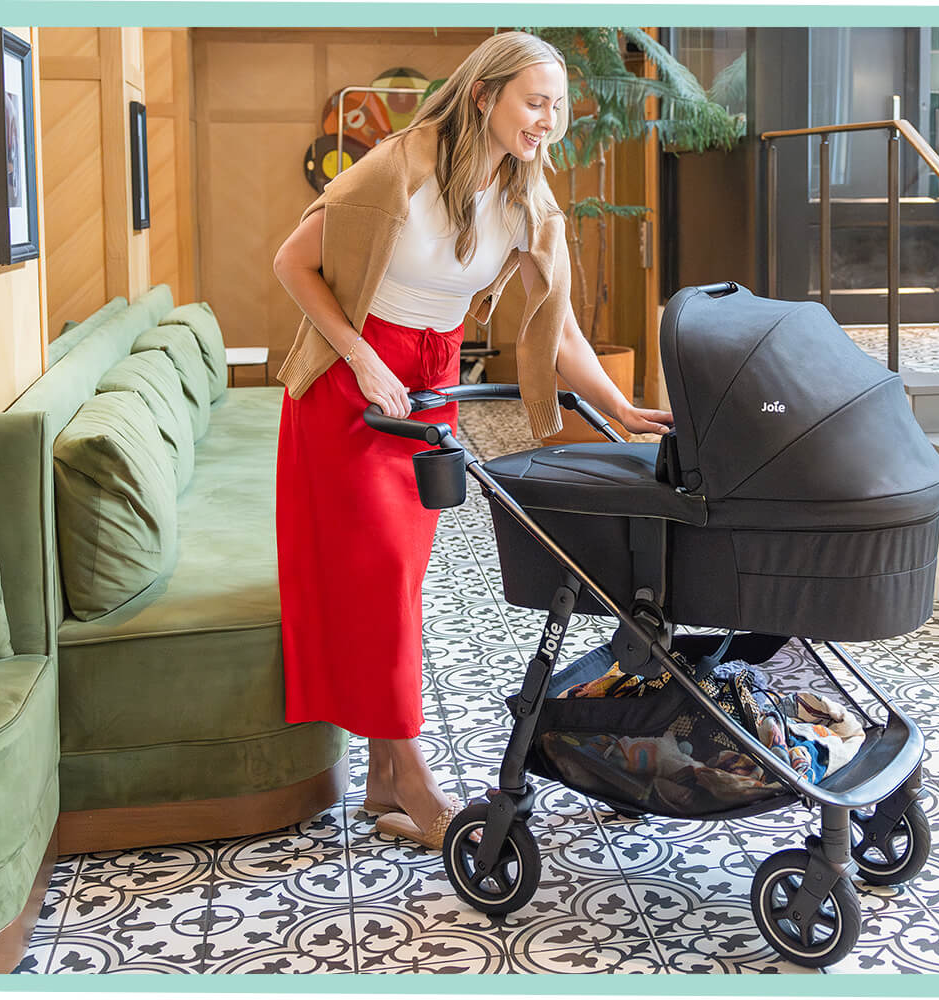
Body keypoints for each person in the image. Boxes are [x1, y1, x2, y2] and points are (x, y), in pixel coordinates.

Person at [271, 31, 672, 850]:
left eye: (557, 106)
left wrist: (620, 405)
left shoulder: (527, 197)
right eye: (535, 102)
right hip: (351, 395)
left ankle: (381, 776)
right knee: (383, 578)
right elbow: (292, 261)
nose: (548, 120)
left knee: (399, 585)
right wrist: (361, 356)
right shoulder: (396, 170)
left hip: (431, 387)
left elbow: (556, 325)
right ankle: (414, 781)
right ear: (485, 96)